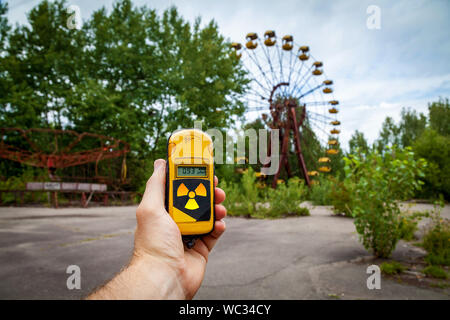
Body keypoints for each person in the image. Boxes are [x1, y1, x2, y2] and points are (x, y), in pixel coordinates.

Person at [87, 159, 227, 300]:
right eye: (184, 170)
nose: (192, 193)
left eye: (198, 171)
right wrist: (159, 262)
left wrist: (159, 266)